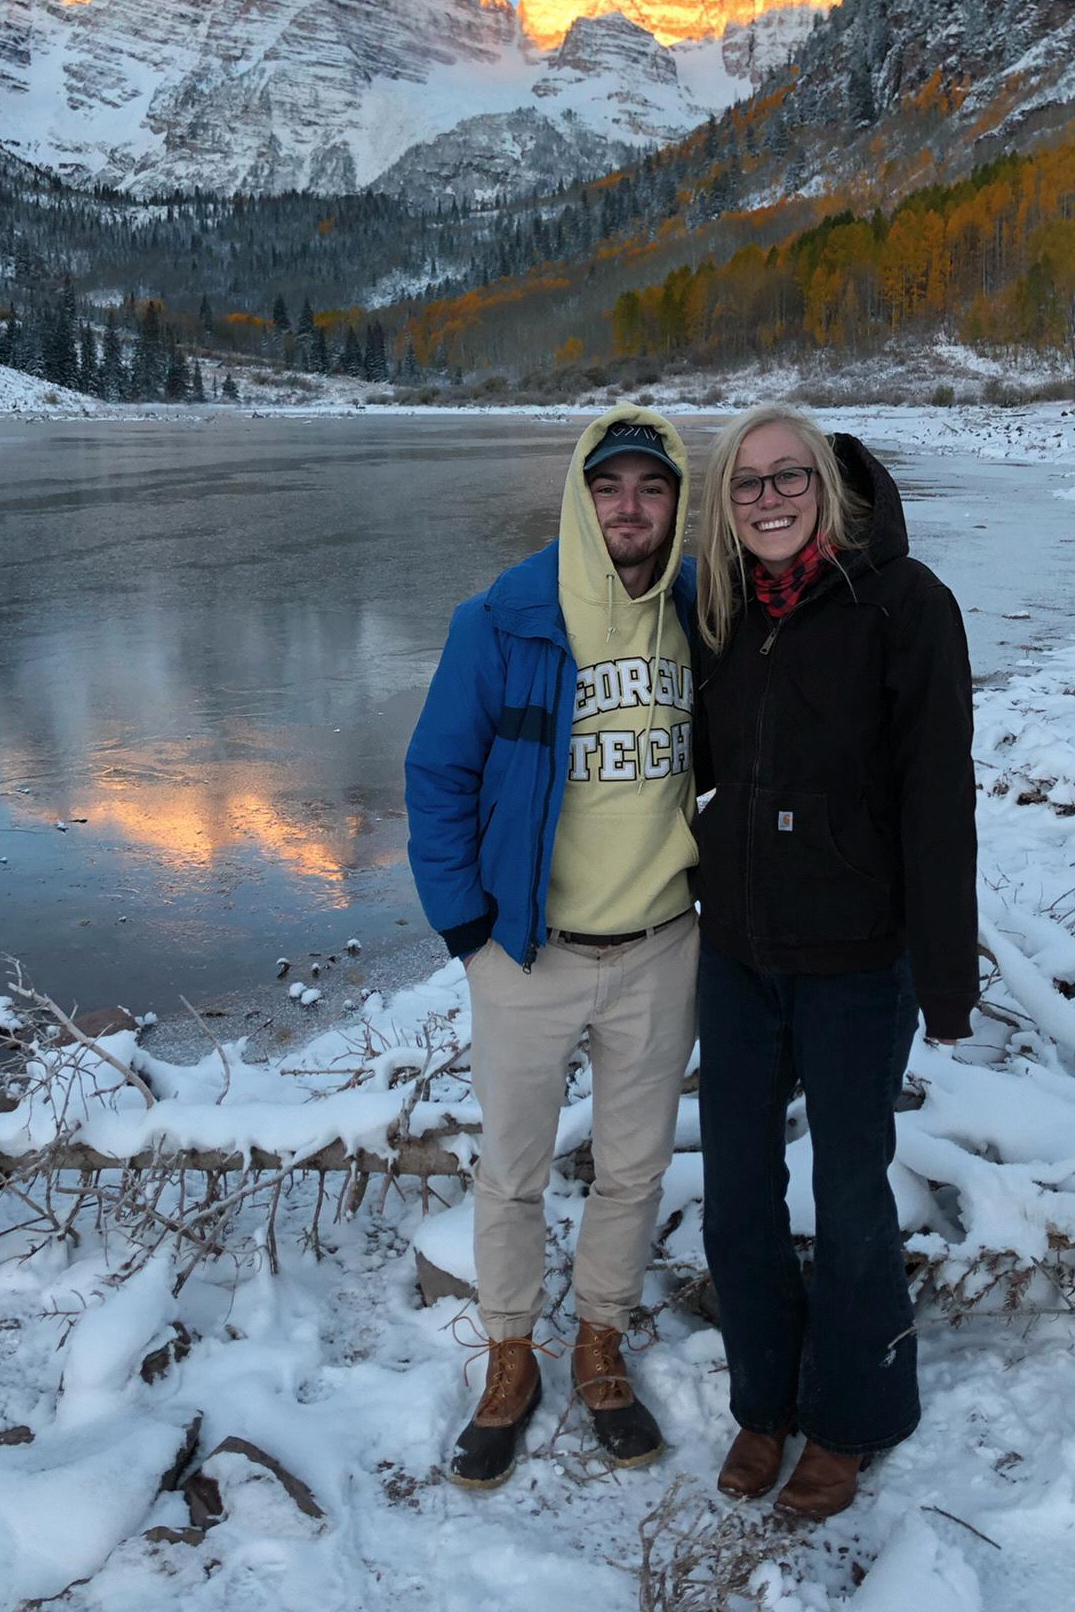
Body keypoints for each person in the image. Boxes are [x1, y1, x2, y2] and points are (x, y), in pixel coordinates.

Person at [405, 404, 700, 1490]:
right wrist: (469, 928)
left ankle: (601, 1343)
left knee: (633, 1167)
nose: (630, 506)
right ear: (580, 496)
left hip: (664, 943)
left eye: (652, 487)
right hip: (531, 951)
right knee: (514, 1169)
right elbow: (435, 773)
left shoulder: (695, 610)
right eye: (609, 486)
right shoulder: (506, 618)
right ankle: (511, 1354)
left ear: (677, 502)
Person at [692, 403, 977, 1524]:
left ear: (830, 485)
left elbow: (937, 801)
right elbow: (698, 761)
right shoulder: (720, 611)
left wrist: (944, 974)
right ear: (727, 502)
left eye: (788, 476)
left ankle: (856, 1412)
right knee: (737, 1189)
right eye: (748, 483)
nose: (768, 497)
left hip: (858, 956)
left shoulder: (905, 604)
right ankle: (765, 1395)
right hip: (738, 948)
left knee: (852, 1191)